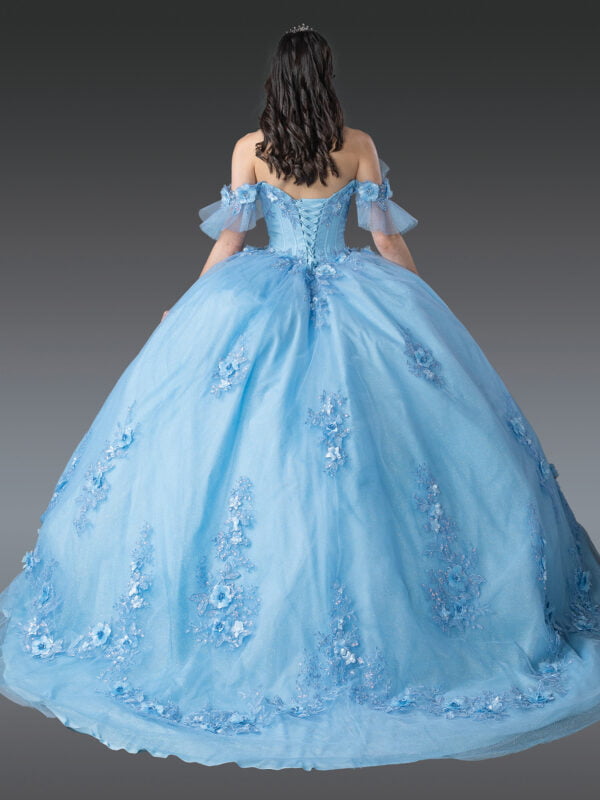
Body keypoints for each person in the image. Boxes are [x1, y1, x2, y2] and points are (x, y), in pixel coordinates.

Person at [0, 22, 599, 772]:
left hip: (262, 297)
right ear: (327, 77)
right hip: (355, 298)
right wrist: (421, 306)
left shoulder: (251, 148)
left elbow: (230, 242)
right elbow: (384, 240)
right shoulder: (358, 144)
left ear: (276, 81)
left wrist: (188, 305)